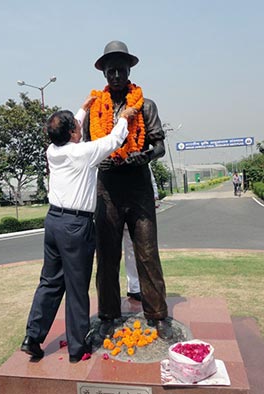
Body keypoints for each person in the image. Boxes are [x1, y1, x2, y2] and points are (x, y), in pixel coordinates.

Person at [21, 96, 137, 363]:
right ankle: (77, 347)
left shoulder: (53, 150)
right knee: (76, 287)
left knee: (49, 283)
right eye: (77, 125)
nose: (80, 127)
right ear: (73, 132)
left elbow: (70, 127)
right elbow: (113, 141)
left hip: (53, 222)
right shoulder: (82, 153)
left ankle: (33, 337)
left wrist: (83, 109)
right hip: (76, 226)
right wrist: (124, 118)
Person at [83, 40, 173, 340]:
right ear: (105, 74)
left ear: (129, 70)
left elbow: (159, 144)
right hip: (107, 186)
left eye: (121, 69)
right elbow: (87, 147)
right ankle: (108, 313)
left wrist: (145, 155)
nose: (117, 75)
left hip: (138, 186)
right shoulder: (96, 108)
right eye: (111, 71)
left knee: (147, 252)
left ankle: (158, 315)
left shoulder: (145, 105)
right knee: (106, 256)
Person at [124, 164, 159, 302]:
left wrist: (154, 195)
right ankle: (109, 296)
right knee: (109, 255)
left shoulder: (137, 153)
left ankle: (134, 287)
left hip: (134, 207)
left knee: (132, 250)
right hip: (111, 208)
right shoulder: (106, 149)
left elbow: (149, 176)